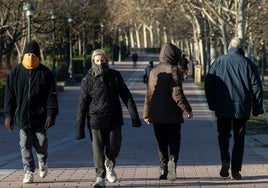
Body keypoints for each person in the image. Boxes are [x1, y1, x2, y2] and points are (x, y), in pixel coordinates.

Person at [76, 49, 142, 188]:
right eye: (97, 60)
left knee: (114, 147)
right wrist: (79, 128)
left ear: (106, 60)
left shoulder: (115, 76)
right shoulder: (87, 80)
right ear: (93, 61)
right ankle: (100, 177)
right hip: (95, 120)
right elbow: (82, 105)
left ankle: (110, 163)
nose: (100, 63)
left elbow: (127, 96)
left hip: (114, 119)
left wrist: (134, 117)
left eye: (102, 60)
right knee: (98, 150)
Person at [205, 37, 263, 180]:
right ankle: (236, 170)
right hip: (241, 107)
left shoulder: (218, 61)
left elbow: (208, 83)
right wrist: (257, 108)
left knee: (223, 136)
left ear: (229, 46)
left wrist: (212, 103)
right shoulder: (248, 64)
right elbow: (256, 87)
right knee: (239, 139)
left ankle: (225, 160)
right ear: (243, 48)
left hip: (223, 106)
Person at [4, 40, 59, 184]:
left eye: (33, 54)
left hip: (39, 118)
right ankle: (28, 171)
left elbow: (51, 96)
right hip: (22, 117)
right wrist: (8, 115)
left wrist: (51, 114)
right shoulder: (16, 72)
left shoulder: (45, 73)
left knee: (41, 143)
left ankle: (43, 161)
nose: (30, 57)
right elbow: (9, 95)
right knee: (25, 145)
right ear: (23, 55)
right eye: (27, 54)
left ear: (37, 55)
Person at [143, 43, 193, 182]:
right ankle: (173, 161)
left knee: (161, 143)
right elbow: (177, 94)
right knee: (174, 141)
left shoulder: (153, 71)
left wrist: (146, 114)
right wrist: (187, 110)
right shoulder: (174, 70)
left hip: (156, 114)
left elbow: (149, 94)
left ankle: (163, 168)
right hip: (172, 115)